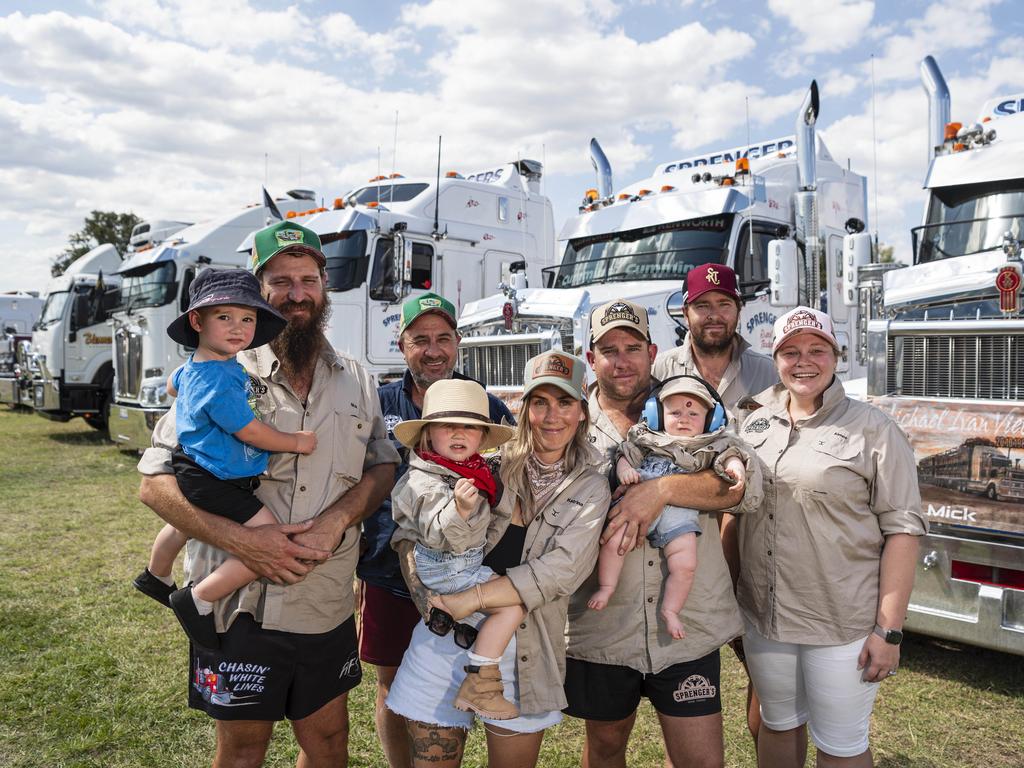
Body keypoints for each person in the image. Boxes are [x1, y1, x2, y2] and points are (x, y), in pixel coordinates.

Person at [137, 220, 400, 768]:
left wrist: (338, 520)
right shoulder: (217, 365)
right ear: (259, 288)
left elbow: (381, 465)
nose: (296, 294)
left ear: (325, 285)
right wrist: (242, 541)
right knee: (241, 750)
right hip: (237, 607)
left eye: (308, 278)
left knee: (328, 744)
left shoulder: (357, 376)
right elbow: (156, 483)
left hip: (321, 599)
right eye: (280, 281)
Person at [386, 350, 611, 768]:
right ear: (524, 409)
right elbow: (408, 534)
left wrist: (468, 600)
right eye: (540, 402)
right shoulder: (485, 465)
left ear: (582, 411)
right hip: (443, 638)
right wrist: (423, 591)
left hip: (522, 649)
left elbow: (562, 572)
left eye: (565, 402)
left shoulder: (594, 486)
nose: (551, 415)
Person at [564, 298, 760, 768]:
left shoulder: (692, 405)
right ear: (591, 360)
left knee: (701, 760)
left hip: (686, 627)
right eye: (608, 349)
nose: (622, 359)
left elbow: (740, 489)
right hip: (604, 624)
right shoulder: (570, 423)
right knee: (606, 747)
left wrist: (663, 490)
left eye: (632, 346)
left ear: (653, 352)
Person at [735, 306, 927, 768]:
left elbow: (902, 531)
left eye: (816, 350)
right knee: (778, 725)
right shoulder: (752, 420)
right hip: (766, 618)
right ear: (775, 358)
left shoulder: (873, 427)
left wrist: (889, 630)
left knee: (840, 746)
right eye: (791, 351)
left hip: (841, 622)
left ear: (836, 355)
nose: (804, 362)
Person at [359, 291, 514, 767]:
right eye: (420, 339)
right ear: (402, 344)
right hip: (389, 570)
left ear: (458, 343)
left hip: (466, 571)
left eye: (443, 338)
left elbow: (510, 471)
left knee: (467, 673)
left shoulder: (483, 404)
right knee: (391, 684)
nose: (433, 349)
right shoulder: (378, 401)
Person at [131, 268, 317, 650]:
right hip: (216, 475)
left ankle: (156, 573)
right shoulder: (218, 381)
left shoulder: (195, 367)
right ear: (197, 321)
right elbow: (249, 431)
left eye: (247, 319)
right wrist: (295, 441)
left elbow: (172, 384)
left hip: (195, 466)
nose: (238, 328)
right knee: (268, 545)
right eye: (225, 317)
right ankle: (197, 598)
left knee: (182, 525)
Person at [652, 262, 779, 747]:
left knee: (764, 673)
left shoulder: (769, 371)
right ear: (686, 311)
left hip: (752, 538)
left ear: (738, 309)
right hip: (685, 541)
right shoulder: (662, 367)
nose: (713, 315)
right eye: (702, 305)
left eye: (723, 304)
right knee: (683, 689)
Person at [390, 378, 521, 719]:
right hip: (446, 563)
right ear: (429, 433)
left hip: (459, 560)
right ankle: (481, 681)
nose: (459, 434)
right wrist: (459, 512)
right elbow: (436, 534)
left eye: (469, 427)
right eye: (448, 426)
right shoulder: (424, 480)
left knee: (507, 600)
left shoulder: (471, 470)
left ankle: (465, 633)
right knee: (513, 603)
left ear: (481, 436)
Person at [589, 376, 753, 643]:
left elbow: (729, 454)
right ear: (656, 415)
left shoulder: (711, 442)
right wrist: (626, 471)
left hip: (680, 514)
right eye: (675, 412)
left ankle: (671, 609)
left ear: (711, 419)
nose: (684, 418)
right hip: (635, 501)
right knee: (614, 541)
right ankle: (607, 587)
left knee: (685, 564)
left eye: (693, 413)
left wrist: (734, 466)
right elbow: (623, 455)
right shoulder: (646, 437)